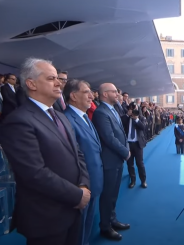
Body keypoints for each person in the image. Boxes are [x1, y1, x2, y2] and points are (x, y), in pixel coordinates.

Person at [0, 58, 90, 245]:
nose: (59, 83)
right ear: (31, 84)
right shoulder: (19, 121)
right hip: (47, 218)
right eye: (51, 78)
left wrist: (83, 185)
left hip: (73, 211)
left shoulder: (61, 117)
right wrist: (77, 195)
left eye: (58, 78)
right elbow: (34, 173)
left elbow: (78, 154)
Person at [63, 79, 104, 245]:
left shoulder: (84, 117)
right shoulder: (68, 120)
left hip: (93, 182)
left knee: (87, 227)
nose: (92, 96)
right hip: (82, 185)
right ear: (73, 96)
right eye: (86, 92)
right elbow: (73, 157)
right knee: (78, 232)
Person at [92, 83, 130, 241]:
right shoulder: (101, 112)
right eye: (114, 92)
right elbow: (109, 138)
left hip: (117, 159)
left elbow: (121, 133)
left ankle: (112, 219)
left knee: (114, 193)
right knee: (107, 195)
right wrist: (125, 151)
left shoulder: (113, 109)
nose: (118, 94)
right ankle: (105, 226)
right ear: (105, 94)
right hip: (109, 160)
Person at [121, 102, 147, 188]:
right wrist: (128, 115)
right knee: (130, 163)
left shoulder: (141, 118)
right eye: (132, 109)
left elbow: (143, 127)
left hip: (138, 144)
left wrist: (136, 119)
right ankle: (133, 180)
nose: (134, 111)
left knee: (140, 163)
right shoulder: (127, 118)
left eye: (135, 108)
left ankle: (143, 181)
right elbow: (121, 122)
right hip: (128, 144)